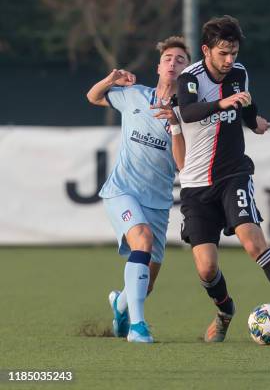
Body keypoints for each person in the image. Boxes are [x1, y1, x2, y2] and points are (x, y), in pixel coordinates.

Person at [172, 15, 270, 342]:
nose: (229, 60)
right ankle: (225, 311)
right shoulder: (190, 78)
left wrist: (254, 122)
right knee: (206, 268)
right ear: (206, 50)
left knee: (253, 242)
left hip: (233, 174)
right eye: (223, 53)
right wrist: (223, 102)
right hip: (196, 185)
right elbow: (188, 112)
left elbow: (245, 102)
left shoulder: (239, 73)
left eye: (234, 53)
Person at [86, 37, 190, 343]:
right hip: (122, 190)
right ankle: (137, 326)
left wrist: (175, 125)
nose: (173, 63)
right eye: (168, 58)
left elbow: (183, 165)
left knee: (146, 285)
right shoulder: (133, 95)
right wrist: (111, 78)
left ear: (186, 72)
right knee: (141, 241)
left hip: (158, 202)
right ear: (159, 66)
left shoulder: (187, 112)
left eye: (180, 60)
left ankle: (120, 306)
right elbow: (93, 97)